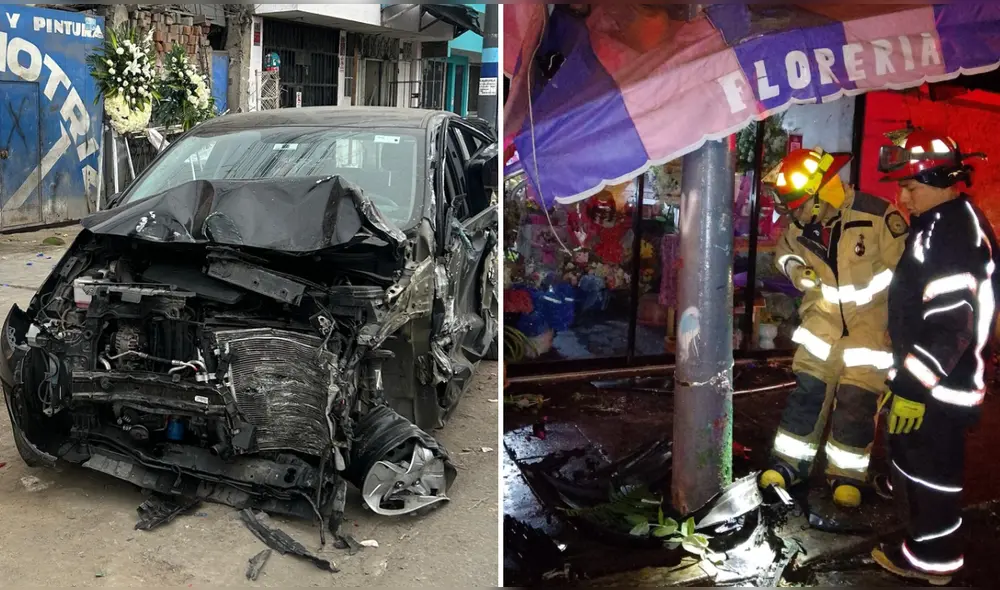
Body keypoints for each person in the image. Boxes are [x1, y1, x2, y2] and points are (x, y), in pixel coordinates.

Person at [870, 129, 997, 585]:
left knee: (933, 476)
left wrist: (909, 386)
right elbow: (927, 304)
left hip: (939, 387)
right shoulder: (942, 222)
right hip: (934, 380)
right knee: (917, 467)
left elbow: (950, 327)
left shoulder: (950, 233)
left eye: (910, 186)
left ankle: (934, 562)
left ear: (942, 179)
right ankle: (921, 543)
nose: (903, 196)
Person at [758, 147, 908, 508]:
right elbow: (785, 254)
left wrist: (902, 333)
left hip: (870, 330)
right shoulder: (801, 226)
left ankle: (847, 475)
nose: (792, 213)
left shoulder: (878, 216)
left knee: (857, 402)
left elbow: (907, 273)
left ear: (820, 192)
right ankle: (789, 465)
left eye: (796, 204)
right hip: (821, 326)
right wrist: (796, 270)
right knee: (807, 394)